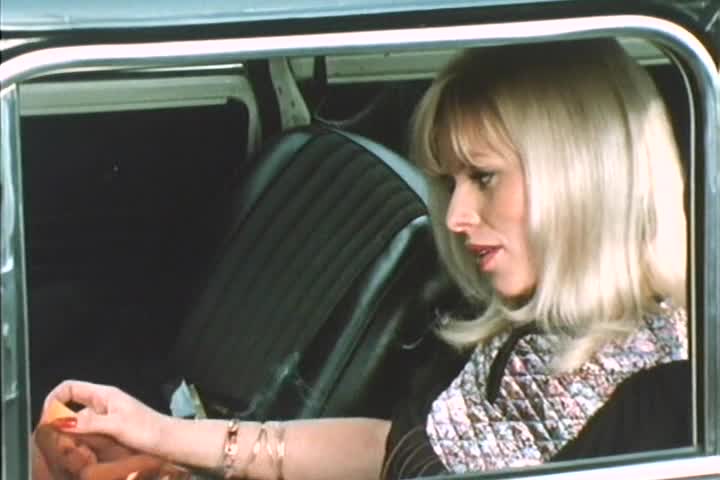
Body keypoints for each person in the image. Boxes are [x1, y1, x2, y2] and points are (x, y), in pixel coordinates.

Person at [33, 38, 690, 480]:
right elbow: (394, 448)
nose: (455, 217)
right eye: (451, 183)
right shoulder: (539, 332)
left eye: (484, 178)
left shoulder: (663, 406)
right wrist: (162, 438)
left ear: (583, 178)